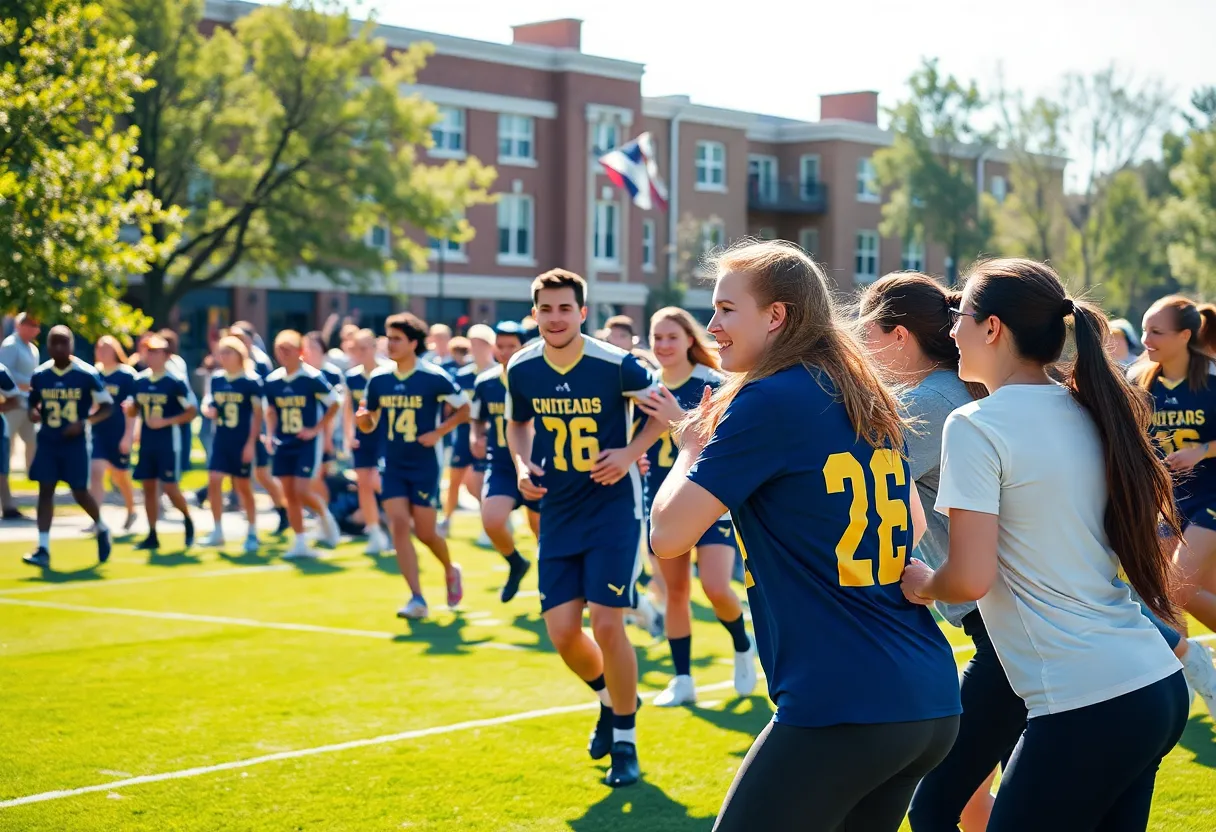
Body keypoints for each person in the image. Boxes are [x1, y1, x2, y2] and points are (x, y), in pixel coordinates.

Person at [649, 241, 959, 830]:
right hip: (926, 694)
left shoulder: (770, 398)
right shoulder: (862, 390)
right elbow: (913, 526)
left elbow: (667, 536)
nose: (711, 327)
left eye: (726, 309)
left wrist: (689, 449)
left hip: (846, 699)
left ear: (777, 316)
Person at [901, 258, 1188, 831]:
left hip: (1089, 700)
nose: (951, 331)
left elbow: (969, 577)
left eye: (960, 316)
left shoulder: (975, 424)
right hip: (1154, 687)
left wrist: (925, 583)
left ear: (992, 328)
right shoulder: (1087, 408)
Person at [506, 269, 669, 789]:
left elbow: (665, 411)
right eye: (546, 309)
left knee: (606, 624)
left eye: (564, 308)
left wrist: (629, 452)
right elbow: (517, 423)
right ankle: (611, 698)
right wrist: (521, 465)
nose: (555, 318)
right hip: (558, 510)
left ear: (582, 312)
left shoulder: (615, 363)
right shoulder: (521, 366)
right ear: (535, 313)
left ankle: (625, 741)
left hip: (612, 510)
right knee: (560, 632)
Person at [632, 307, 756, 707]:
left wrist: (677, 420)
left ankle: (742, 642)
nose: (664, 345)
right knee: (675, 592)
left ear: (689, 339)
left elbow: (724, 443)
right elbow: (634, 441)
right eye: (657, 337)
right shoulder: (645, 387)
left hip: (709, 498)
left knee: (716, 586)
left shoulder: (714, 382)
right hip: (663, 499)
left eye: (672, 336)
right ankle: (683, 678)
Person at [355, 313, 468, 619]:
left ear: (413, 343)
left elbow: (465, 409)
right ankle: (417, 598)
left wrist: (439, 432)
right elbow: (369, 422)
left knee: (426, 532)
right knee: (399, 524)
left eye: (397, 339)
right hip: (393, 464)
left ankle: (450, 569)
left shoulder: (433, 376)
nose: (390, 344)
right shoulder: (379, 378)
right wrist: (363, 422)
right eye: (388, 338)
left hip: (424, 465)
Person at [1135, 296, 1216, 673]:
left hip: (1210, 497)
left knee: (1175, 586)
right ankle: (1189, 681)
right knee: (1170, 597)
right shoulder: (1140, 382)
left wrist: (1203, 450)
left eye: (1156, 332)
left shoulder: (1211, 379)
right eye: (1144, 330)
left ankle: (1198, 669)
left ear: (1185, 336)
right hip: (1169, 501)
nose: (1145, 340)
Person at [23, 327, 115, 567]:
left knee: (79, 491)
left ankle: (102, 527)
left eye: (63, 343)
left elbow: (107, 406)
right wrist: (33, 412)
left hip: (75, 443)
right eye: (54, 343)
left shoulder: (86, 373)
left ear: (71, 345)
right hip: (48, 440)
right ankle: (43, 547)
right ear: (47, 346)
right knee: (46, 489)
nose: (59, 348)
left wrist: (85, 421)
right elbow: (32, 404)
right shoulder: (41, 374)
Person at [471, 320, 536, 602]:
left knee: (542, 532)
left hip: (537, 465)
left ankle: (557, 587)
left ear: (523, 347)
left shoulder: (537, 379)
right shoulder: (485, 382)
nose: (506, 351)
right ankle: (515, 562)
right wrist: (476, 436)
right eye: (501, 346)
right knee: (492, 520)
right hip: (501, 463)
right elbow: (477, 417)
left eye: (512, 346)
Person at [262, 330, 342, 559]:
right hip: (284, 441)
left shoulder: (311, 377)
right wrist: (270, 434)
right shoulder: (273, 380)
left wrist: (316, 429)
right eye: (280, 350)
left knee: (302, 490)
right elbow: (271, 410)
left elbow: (334, 403)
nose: (283, 354)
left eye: (288, 349)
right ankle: (300, 541)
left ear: (300, 351)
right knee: (289, 494)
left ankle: (324, 514)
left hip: (306, 443)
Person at [130, 335, 198, 551]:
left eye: (155, 351)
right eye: (148, 351)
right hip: (147, 442)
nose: (151, 356)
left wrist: (166, 421)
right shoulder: (140, 380)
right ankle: (152, 533)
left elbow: (191, 411)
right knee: (148, 487)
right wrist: (129, 411)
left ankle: (187, 518)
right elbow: (134, 409)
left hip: (169, 442)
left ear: (167, 355)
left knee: (170, 487)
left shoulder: (175, 381)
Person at [199, 336, 263, 554]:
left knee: (243, 487)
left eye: (228, 352)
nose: (224, 357)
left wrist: (251, 443)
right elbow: (209, 401)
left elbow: (258, 415)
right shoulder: (217, 378)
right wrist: (208, 409)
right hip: (221, 438)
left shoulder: (251, 381)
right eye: (222, 352)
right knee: (214, 480)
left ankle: (252, 530)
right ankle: (217, 530)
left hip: (241, 440)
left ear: (239, 355)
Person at [230, 325, 289, 535]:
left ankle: (283, 509)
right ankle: (246, 513)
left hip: (257, 425)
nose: (236, 341)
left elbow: (266, 397)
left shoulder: (260, 362)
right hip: (236, 428)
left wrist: (265, 429)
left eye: (240, 337)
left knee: (262, 474)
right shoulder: (228, 360)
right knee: (238, 474)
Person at [444, 325, 496, 539]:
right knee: (455, 478)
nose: (474, 348)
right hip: (464, 433)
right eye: (472, 343)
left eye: (479, 344)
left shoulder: (497, 373)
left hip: (489, 435)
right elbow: (452, 406)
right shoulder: (462, 375)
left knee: (481, 480)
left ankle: (489, 522)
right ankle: (446, 520)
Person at [343, 328, 389, 555]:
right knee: (363, 483)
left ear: (373, 347)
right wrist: (349, 435)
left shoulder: (387, 373)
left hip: (384, 436)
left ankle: (396, 519)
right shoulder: (352, 377)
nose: (360, 353)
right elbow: (348, 409)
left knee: (378, 481)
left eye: (364, 348)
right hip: (362, 436)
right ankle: (374, 531)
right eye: (356, 349)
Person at [89, 336, 140, 534]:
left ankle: (131, 509)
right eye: (99, 348)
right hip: (99, 432)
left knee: (120, 475)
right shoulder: (94, 373)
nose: (102, 352)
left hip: (119, 431)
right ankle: (96, 519)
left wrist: (129, 435)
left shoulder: (127, 375)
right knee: (96, 471)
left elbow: (132, 408)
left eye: (107, 348)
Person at [0, 312, 42, 518]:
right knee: (5, 450)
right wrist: (29, 383)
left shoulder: (32, 349)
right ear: (20, 325)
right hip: (12, 406)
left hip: (26, 404)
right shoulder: (10, 345)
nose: (36, 329)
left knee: (33, 443)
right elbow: (6, 373)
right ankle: (7, 503)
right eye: (31, 324)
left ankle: (35, 482)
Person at [303, 330, 345, 506]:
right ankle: (318, 508)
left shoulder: (332, 374)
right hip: (305, 431)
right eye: (306, 347)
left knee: (320, 473)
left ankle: (325, 510)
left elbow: (335, 407)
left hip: (325, 430)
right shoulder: (301, 372)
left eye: (313, 347)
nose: (309, 351)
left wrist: (328, 436)